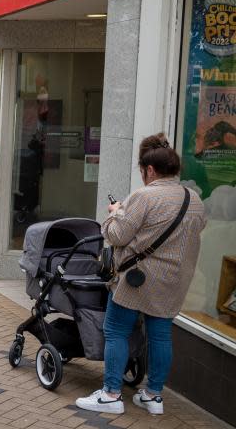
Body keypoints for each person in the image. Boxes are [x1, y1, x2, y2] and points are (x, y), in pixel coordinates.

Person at [75, 134, 206, 416]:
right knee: (161, 337)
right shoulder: (193, 199)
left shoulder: (144, 196)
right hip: (174, 281)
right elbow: (196, 230)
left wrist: (115, 213)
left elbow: (117, 235)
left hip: (139, 279)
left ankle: (111, 395)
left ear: (149, 170)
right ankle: (153, 395)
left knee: (116, 330)